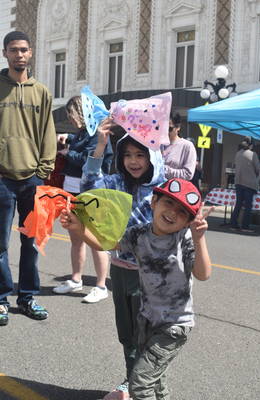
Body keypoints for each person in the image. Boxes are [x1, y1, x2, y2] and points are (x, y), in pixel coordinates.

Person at [59, 178, 212, 400]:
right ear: (154, 202)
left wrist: (199, 239)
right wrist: (79, 227)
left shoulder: (184, 238)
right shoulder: (139, 234)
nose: (172, 213)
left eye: (182, 212)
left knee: (139, 384)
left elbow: (203, 273)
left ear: (188, 221)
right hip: (147, 320)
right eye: (168, 203)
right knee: (155, 381)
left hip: (174, 326)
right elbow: (107, 244)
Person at [78, 119, 165, 400]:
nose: (133, 161)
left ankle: (146, 386)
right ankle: (132, 380)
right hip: (120, 269)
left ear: (152, 157)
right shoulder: (115, 183)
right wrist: (100, 146)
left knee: (147, 336)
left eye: (140, 155)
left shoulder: (163, 191)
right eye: (127, 155)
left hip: (150, 275)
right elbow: (88, 189)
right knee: (126, 334)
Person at [0, 31, 57, 325]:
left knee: (31, 242)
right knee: (0, 244)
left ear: (31, 53)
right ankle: (0, 299)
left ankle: (27, 297)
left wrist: (43, 170)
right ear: (5, 53)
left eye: (23, 50)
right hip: (1, 179)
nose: (19, 55)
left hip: (32, 179)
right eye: (13, 50)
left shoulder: (42, 92)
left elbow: (48, 133)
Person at [52, 96, 113, 303]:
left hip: (92, 192)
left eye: (71, 113)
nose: (69, 118)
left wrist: (67, 152)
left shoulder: (98, 133)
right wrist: (67, 140)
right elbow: (77, 143)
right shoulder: (81, 133)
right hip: (72, 191)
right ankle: (76, 279)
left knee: (96, 240)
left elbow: (89, 162)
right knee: (76, 238)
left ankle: (101, 285)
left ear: (82, 112)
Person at [230, 137, 260, 233]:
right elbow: (258, 169)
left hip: (238, 182)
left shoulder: (238, 154)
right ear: (251, 145)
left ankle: (233, 224)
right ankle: (245, 226)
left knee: (238, 204)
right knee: (248, 206)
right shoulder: (253, 154)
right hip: (249, 183)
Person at [161, 110, 197, 181]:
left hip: (173, 190)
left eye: (169, 128)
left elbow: (188, 174)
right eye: (163, 128)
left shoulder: (187, 146)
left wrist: (163, 170)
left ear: (178, 128)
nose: (166, 131)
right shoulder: (157, 144)